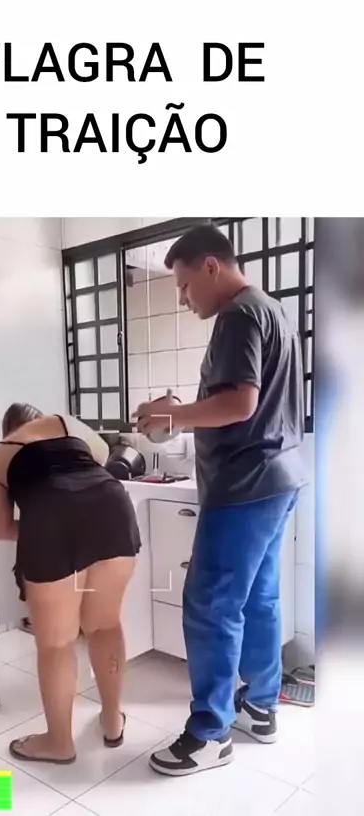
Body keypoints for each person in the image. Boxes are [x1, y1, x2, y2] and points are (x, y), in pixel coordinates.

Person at [136, 224, 306, 777]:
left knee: (210, 604)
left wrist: (172, 416)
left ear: (211, 266)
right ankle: (260, 706)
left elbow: (239, 404)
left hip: (243, 486)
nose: (183, 299)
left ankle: (209, 733)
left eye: (185, 285)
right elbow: (246, 400)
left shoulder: (237, 315)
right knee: (258, 598)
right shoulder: (271, 309)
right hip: (279, 477)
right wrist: (183, 407)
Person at [0, 403, 141, 763]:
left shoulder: (0, 455)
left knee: (56, 644)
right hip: (112, 508)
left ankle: (59, 742)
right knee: (104, 626)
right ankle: (112, 722)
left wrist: (47, 528)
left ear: (8, 430)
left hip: (51, 516)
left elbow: (1, 528)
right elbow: (95, 469)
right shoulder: (70, 427)